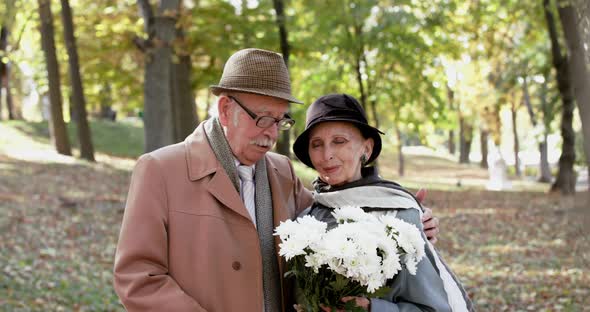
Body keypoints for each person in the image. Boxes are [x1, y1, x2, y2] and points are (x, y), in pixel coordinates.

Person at [113, 48, 440, 311]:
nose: (271, 134)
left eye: (280, 121)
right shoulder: (160, 170)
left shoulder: (282, 172)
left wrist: (404, 228)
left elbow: (336, 219)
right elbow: (138, 278)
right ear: (226, 110)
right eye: (262, 118)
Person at [292, 93, 474, 312]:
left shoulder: (399, 219)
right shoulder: (304, 220)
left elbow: (433, 308)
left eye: (339, 141)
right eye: (317, 144)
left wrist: (371, 308)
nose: (326, 154)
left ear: (366, 149)